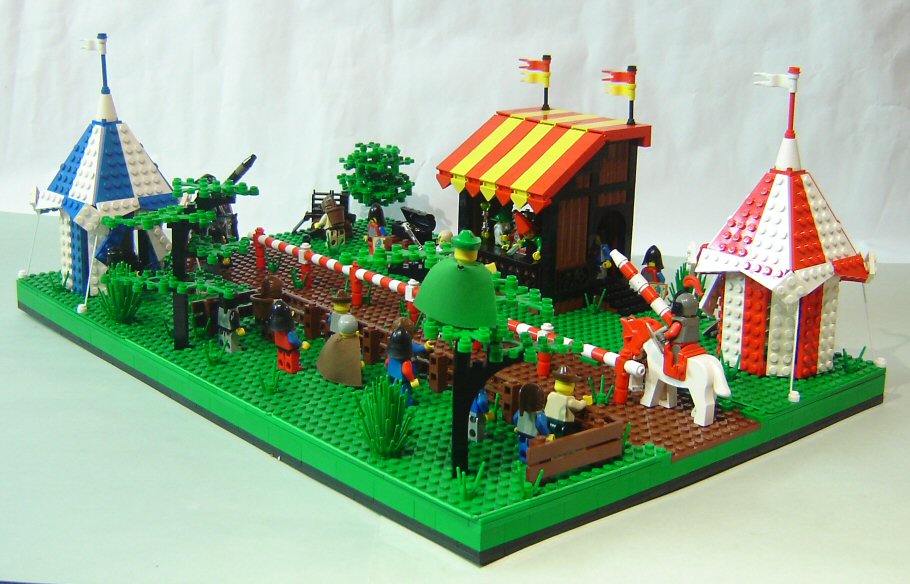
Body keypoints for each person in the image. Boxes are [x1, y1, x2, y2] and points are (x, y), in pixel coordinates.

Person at [544, 366, 592, 436]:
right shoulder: (569, 400)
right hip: (563, 424)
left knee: (548, 433)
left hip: (547, 420)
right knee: (560, 436)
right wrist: (584, 401)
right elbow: (578, 407)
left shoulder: (550, 395)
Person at [513, 383, 552, 463]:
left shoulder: (520, 412)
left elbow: (515, 418)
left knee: (522, 447)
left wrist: (518, 427)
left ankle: (523, 457)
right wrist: (547, 435)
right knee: (538, 450)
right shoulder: (539, 415)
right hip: (534, 439)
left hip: (521, 435)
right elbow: (541, 425)